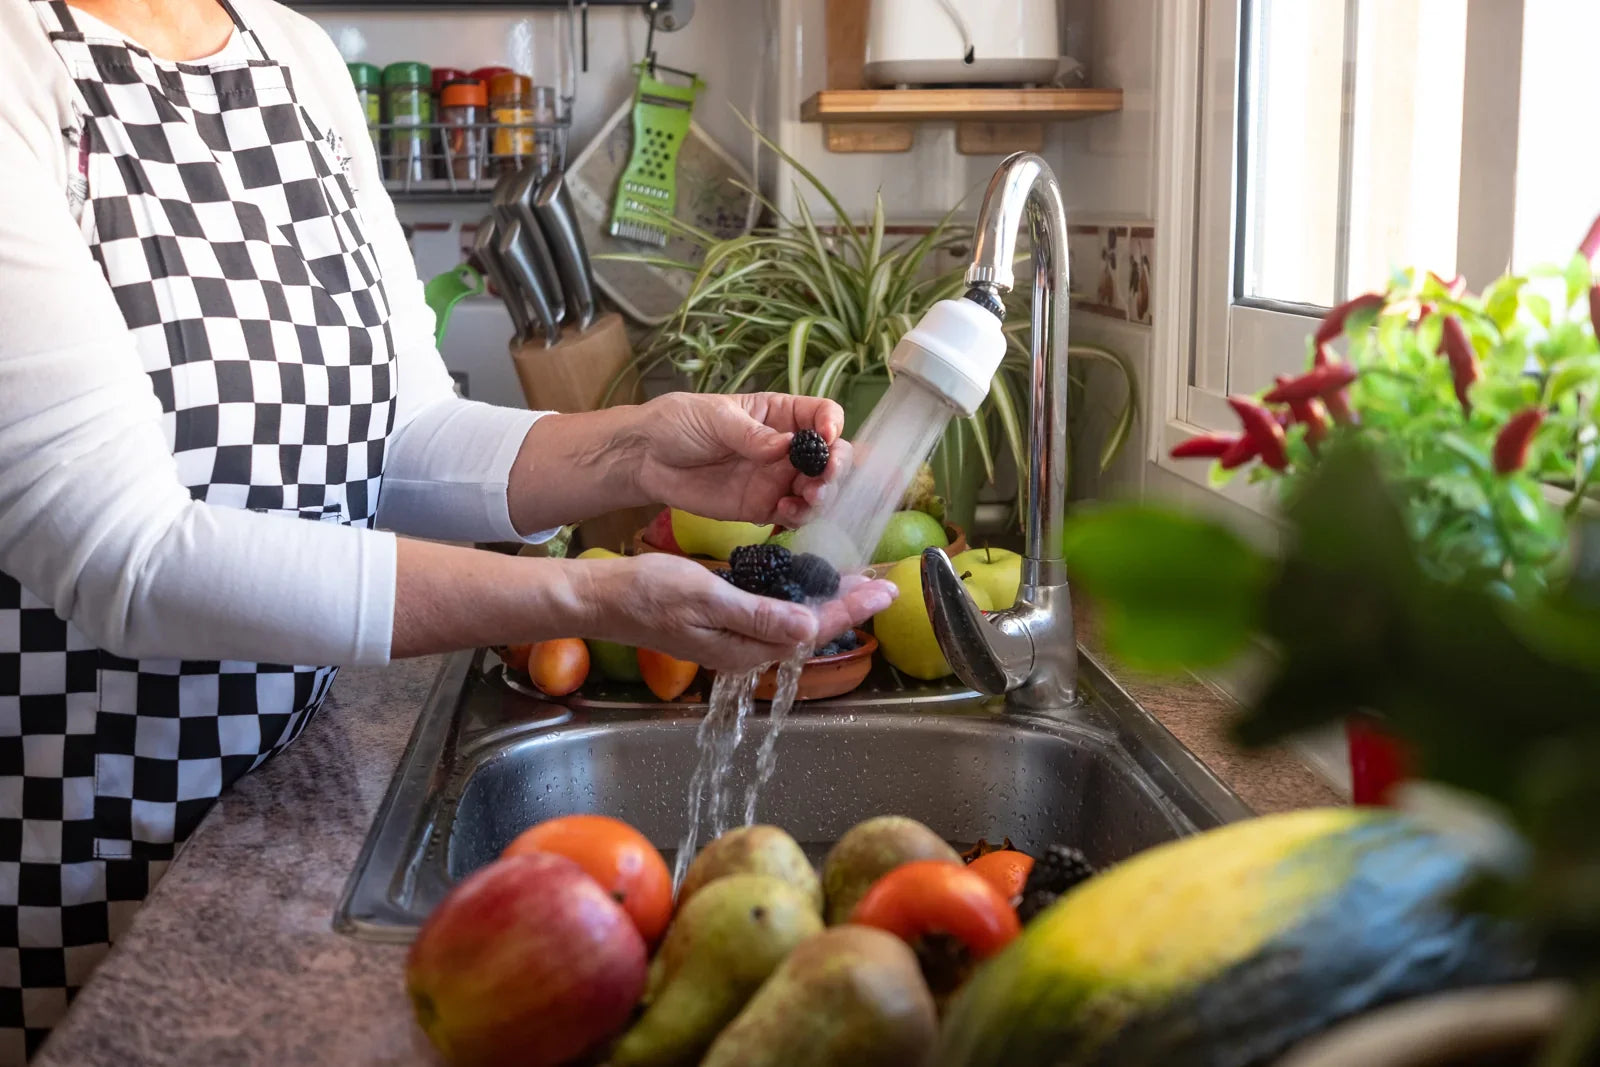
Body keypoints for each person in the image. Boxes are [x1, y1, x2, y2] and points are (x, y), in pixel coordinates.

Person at [0, 0, 896, 1056]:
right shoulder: (19, 64)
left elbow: (404, 434)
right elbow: (125, 555)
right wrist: (594, 593)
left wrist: (644, 448)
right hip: (69, 852)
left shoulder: (293, 58)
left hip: (284, 808)